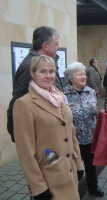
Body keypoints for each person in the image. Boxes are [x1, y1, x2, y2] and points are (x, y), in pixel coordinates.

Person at [13, 55, 84, 200]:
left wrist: (78, 164)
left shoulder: (59, 97)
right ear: (32, 74)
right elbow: (25, 151)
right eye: (42, 71)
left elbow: (71, 133)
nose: (48, 76)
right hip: (49, 178)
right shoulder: (24, 104)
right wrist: (37, 186)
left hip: (69, 173)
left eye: (51, 71)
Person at [7, 26, 62, 142]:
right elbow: (19, 101)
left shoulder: (43, 62)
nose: (59, 47)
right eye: (56, 44)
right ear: (46, 46)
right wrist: (19, 135)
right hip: (37, 133)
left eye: (51, 72)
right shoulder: (29, 66)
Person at [64, 62, 105, 197]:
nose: (83, 77)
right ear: (71, 78)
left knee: (91, 164)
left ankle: (93, 187)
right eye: (79, 74)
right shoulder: (63, 95)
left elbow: (94, 113)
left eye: (84, 74)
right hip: (72, 138)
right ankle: (71, 191)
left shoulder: (91, 91)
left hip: (89, 136)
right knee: (73, 166)